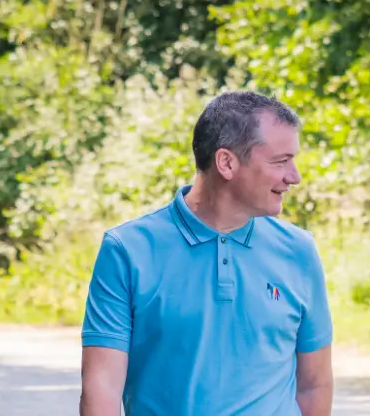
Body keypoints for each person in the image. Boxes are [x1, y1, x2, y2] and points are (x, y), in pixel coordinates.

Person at [79, 91, 333, 416]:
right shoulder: (128, 249)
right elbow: (102, 387)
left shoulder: (299, 251)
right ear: (226, 162)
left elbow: (315, 384)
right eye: (280, 161)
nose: (294, 177)